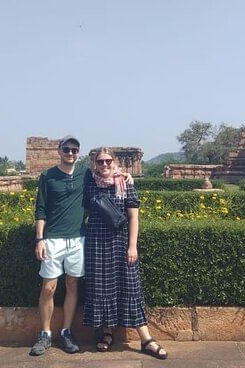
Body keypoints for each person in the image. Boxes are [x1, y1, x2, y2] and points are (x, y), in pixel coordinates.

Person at [30, 136, 132, 357]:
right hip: (53, 238)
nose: (70, 153)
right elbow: (41, 209)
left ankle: (66, 331)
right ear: (59, 151)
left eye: (74, 150)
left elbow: (105, 174)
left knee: (72, 285)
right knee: (49, 288)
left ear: (78, 153)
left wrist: (124, 175)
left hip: (78, 238)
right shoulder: (48, 176)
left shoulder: (85, 173)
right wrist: (39, 238)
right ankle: (45, 333)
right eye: (66, 149)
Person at [82, 148, 168, 360]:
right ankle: (107, 332)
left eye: (108, 160)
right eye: (100, 161)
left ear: (114, 161)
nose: (104, 165)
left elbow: (133, 218)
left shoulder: (125, 182)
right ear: (94, 163)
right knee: (102, 288)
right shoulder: (90, 184)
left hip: (121, 243)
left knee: (130, 287)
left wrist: (132, 245)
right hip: (96, 245)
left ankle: (146, 339)